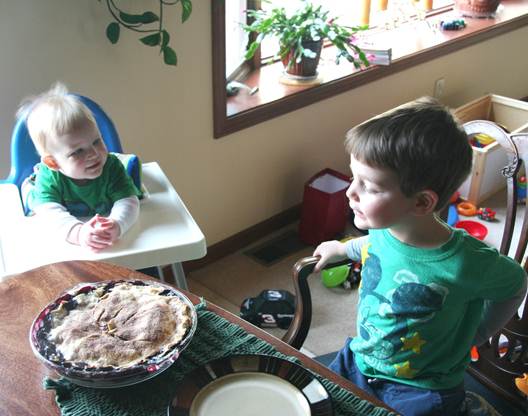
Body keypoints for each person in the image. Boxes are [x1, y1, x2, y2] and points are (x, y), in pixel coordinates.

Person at [313, 97, 527, 415]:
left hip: (424, 387)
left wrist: (482, 330)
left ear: (422, 203)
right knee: (319, 398)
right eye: (353, 177)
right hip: (362, 358)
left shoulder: (465, 261)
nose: (350, 192)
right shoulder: (384, 228)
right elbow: (371, 247)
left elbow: (515, 283)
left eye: (368, 186)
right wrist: (343, 249)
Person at [18, 82, 141, 251]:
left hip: (105, 233)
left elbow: (128, 200)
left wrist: (117, 223)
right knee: (35, 202)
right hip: (69, 246)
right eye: (78, 151)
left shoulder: (111, 167)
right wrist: (78, 232)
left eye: (97, 141)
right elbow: (48, 212)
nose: (93, 154)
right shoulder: (49, 177)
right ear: (53, 163)